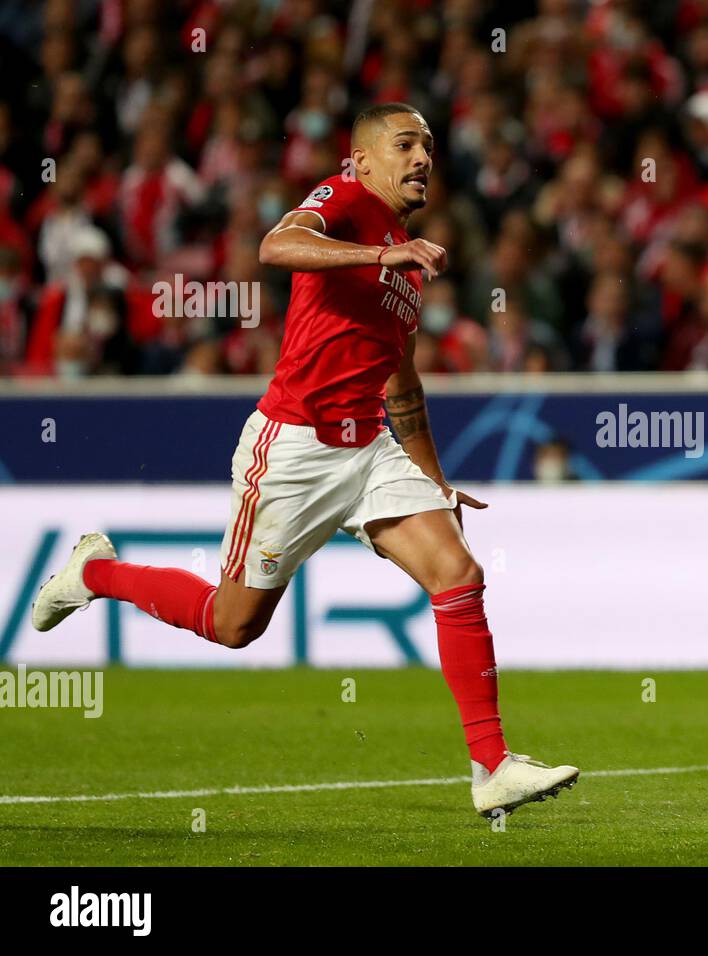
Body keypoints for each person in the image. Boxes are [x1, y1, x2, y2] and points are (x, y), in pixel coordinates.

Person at [31, 103, 578, 818]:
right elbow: (275, 246)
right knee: (233, 626)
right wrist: (382, 254)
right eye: (405, 144)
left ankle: (491, 767)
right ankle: (94, 572)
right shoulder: (344, 202)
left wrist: (433, 478)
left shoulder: (406, 265)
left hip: (370, 449)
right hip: (293, 446)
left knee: (459, 573)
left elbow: (401, 380)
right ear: (362, 160)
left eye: (430, 146)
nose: (422, 158)